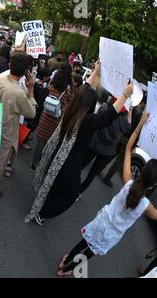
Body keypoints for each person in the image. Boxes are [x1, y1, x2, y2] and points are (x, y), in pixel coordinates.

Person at [25, 61, 134, 225]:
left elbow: (83, 91)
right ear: (90, 106)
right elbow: (107, 116)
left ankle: (44, 200)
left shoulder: (72, 108)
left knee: (56, 185)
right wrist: (125, 95)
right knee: (70, 195)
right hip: (70, 166)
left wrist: (96, 71)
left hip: (59, 158)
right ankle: (43, 212)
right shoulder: (86, 121)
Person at [57, 113, 157, 276]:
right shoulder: (147, 207)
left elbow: (129, 148)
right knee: (90, 252)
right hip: (111, 235)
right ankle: (66, 270)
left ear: (143, 171)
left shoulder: (128, 181)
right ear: (154, 184)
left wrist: (140, 125)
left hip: (102, 220)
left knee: (83, 242)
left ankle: (65, 261)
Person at [0, 52, 37, 196]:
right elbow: (31, 113)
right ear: (25, 72)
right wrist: (30, 89)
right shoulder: (19, 92)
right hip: (6, 131)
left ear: (9, 64)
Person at [79, 102, 132, 194]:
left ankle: (71, 182)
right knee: (92, 174)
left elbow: (97, 114)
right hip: (107, 151)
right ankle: (80, 191)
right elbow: (128, 128)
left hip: (94, 143)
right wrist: (130, 111)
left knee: (81, 164)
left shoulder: (105, 108)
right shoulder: (122, 120)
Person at [31, 71, 70, 170]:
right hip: (54, 122)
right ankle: (41, 162)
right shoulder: (65, 94)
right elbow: (65, 108)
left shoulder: (49, 88)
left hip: (44, 118)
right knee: (48, 144)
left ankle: (34, 163)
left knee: (39, 142)